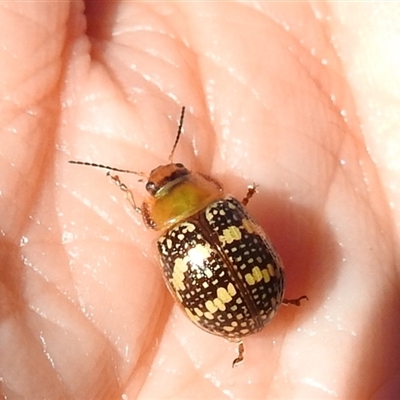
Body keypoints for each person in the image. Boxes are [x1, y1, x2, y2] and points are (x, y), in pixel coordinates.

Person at [1, 2, 399, 399]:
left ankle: (241, 336)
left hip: (235, 310)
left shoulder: (178, 226)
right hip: (264, 294)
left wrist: (128, 190)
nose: (161, 175)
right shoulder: (223, 205)